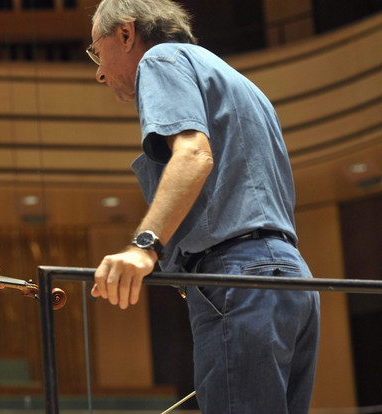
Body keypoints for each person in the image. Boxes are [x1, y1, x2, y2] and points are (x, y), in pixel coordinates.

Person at [86, 1, 321, 413]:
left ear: (125, 34)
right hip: (293, 279)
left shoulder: (158, 59)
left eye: (95, 49)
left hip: (238, 279)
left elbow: (194, 154)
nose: (99, 71)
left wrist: (144, 247)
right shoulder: (240, 82)